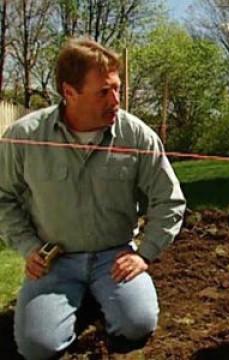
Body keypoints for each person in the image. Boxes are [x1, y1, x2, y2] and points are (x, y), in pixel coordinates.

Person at [0, 38, 186, 359]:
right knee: (38, 348)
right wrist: (28, 246)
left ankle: (100, 301)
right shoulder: (24, 137)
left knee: (137, 324)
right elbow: (3, 198)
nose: (116, 99)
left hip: (114, 259)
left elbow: (169, 201)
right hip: (54, 261)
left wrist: (145, 253)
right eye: (104, 91)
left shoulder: (138, 136)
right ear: (69, 92)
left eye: (117, 88)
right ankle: (76, 303)